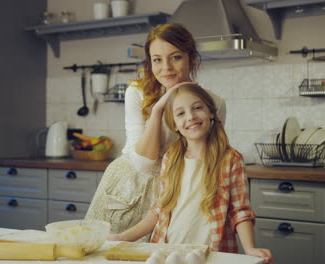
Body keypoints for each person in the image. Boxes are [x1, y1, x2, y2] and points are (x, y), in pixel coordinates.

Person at [85, 23, 226, 240]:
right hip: (126, 189)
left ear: (191, 58)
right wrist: (160, 107)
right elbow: (143, 163)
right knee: (104, 254)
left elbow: (207, 159)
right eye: (157, 59)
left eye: (175, 57)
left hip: (173, 192)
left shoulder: (213, 103)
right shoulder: (137, 92)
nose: (166, 67)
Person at [108, 84, 274, 264]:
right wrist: (123, 237)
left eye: (197, 108)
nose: (191, 117)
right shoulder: (171, 158)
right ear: (175, 125)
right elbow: (159, 209)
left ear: (211, 112)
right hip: (167, 251)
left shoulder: (230, 159)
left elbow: (240, 211)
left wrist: (250, 249)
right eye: (181, 113)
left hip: (210, 254)